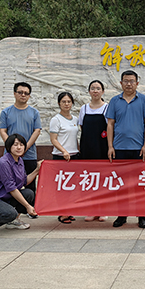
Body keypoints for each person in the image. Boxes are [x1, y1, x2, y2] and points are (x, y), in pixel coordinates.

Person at [107, 70, 145, 228]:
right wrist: (110, 146)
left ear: (137, 83)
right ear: (121, 83)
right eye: (126, 81)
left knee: (139, 184)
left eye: (132, 81)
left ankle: (141, 216)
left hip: (138, 149)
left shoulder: (144, 100)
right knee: (121, 185)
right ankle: (122, 215)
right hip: (119, 148)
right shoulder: (115, 101)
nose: (129, 84)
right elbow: (110, 124)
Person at [0, 134, 42, 234]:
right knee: (10, 213)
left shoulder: (19, 160)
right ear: (8, 147)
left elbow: (24, 181)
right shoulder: (4, 163)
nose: (19, 147)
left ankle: (13, 221)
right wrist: (28, 206)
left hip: (4, 197)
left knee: (29, 193)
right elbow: (12, 188)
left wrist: (37, 170)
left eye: (21, 145)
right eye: (15, 145)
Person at [0, 82, 42, 200]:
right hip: (10, 155)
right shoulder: (6, 112)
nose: (23, 95)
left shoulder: (34, 112)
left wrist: (24, 148)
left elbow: (37, 131)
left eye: (26, 93)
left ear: (29, 96)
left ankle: (30, 207)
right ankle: (9, 205)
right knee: (9, 183)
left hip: (29, 154)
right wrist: (12, 147)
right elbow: (3, 131)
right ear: (14, 93)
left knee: (30, 184)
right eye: (20, 92)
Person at [78, 79, 109, 223]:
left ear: (103, 91)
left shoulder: (107, 108)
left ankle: (103, 209)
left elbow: (110, 128)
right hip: (87, 149)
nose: (95, 91)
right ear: (89, 91)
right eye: (92, 88)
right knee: (89, 180)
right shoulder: (84, 109)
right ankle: (91, 209)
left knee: (102, 180)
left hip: (102, 148)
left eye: (98, 88)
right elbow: (82, 128)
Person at [50, 91, 80, 224]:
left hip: (74, 156)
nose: (66, 104)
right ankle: (62, 213)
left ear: (72, 103)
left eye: (69, 102)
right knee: (62, 187)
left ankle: (69, 210)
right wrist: (64, 151)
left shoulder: (75, 119)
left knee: (72, 186)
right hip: (61, 157)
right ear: (59, 103)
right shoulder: (56, 119)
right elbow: (53, 139)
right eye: (63, 102)